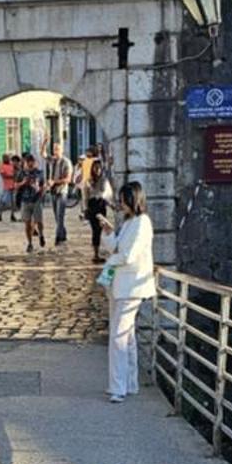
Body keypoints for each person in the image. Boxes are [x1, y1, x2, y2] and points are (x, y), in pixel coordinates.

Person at [99, 181, 156, 403]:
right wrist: (108, 232)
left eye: (123, 200)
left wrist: (109, 262)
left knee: (118, 337)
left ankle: (118, 387)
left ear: (134, 200)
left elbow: (128, 255)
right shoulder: (131, 222)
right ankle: (129, 383)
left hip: (131, 287)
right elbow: (116, 247)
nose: (120, 204)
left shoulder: (142, 224)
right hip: (121, 285)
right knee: (127, 336)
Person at [85, 157, 114, 262]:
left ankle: (99, 251)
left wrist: (111, 205)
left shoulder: (104, 180)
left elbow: (107, 194)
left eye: (99, 168)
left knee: (100, 229)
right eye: (95, 168)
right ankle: (96, 254)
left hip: (101, 206)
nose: (97, 170)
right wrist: (85, 209)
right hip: (92, 206)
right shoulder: (88, 181)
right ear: (92, 169)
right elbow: (86, 196)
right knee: (95, 230)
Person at [18, 152, 47, 251]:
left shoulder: (39, 172)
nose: (30, 164)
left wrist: (40, 189)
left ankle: (41, 235)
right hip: (25, 201)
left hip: (36, 200)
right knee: (27, 224)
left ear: (34, 162)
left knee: (39, 221)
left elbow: (43, 186)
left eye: (32, 162)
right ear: (25, 163)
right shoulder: (21, 173)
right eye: (28, 162)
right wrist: (23, 183)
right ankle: (30, 243)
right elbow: (15, 185)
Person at [48, 146, 73, 245]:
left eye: (57, 149)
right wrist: (45, 142)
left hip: (62, 191)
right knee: (56, 217)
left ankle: (58, 237)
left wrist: (54, 181)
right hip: (53, 191)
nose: (55, 151)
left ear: (62, 151)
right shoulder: (53, 161)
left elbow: (68, 179)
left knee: (60, 215)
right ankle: (63, 234)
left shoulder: (66, 162)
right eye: (54, 149)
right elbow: (43, 155)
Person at [0, 153, 17, 221]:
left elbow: (15, 173)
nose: (7, 159)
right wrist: (11, 176)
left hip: (12, 186)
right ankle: (0, 214)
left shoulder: (11, 165)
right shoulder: (2, 166)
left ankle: (12, 215)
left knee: (13, 202)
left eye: (8, 158)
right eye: (6, 158)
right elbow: (3, 175)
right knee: (3, 201)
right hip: (6, 187)